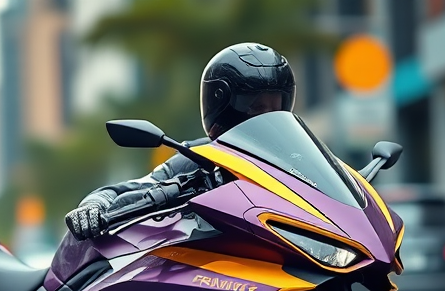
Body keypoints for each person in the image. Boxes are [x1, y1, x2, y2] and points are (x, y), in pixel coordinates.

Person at [65, 42, 297, 240]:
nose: (269, 117)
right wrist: (92, 207)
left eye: (275, 107)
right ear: (223, 106)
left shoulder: (295, 162)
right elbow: (129, 189)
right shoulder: (200, 158)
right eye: (257, 107)